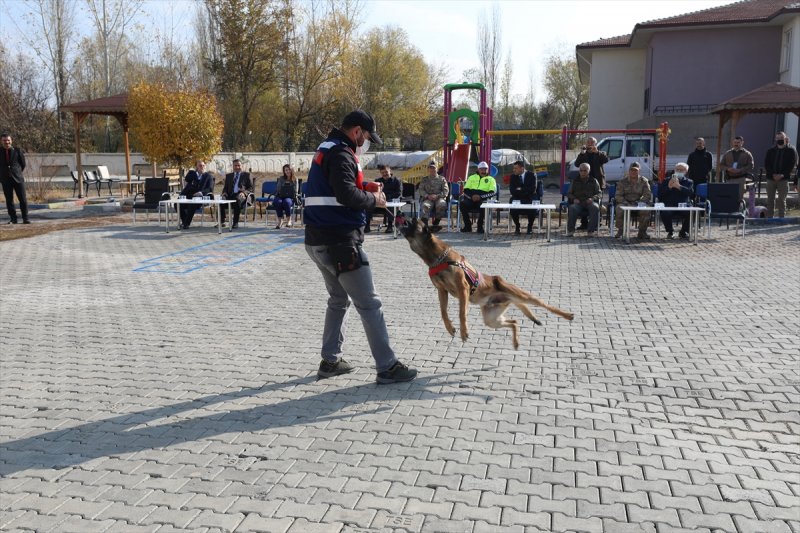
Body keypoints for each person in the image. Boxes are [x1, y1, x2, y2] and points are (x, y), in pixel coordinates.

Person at [304, 109, 417, 384]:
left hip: (317, 240)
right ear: (356, 132)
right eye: (366, 137)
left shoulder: (328, 147)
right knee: (369, 303)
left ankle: (330, 361)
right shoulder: (342, 153)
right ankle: (387, 367)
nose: (366, 143)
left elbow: (333, 186)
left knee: (338, 300)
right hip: (341, 243)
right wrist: (374, 199)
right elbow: (344, 194)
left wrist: (364, 184)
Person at [574, 136, 609, 229]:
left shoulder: (600, 153)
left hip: (598, 182)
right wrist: (581, 153)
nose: (590, 144)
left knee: (598, 202)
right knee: (584, 200)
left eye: (592, 142)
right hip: (585, 182)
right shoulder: (583, 154)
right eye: (588, 142)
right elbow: (577, 164)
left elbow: (605, 160)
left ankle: (598, 222)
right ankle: (584, 223)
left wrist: (597, 152)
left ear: (595, 144)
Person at [763, 131, 798, 218]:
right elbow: (767, 164)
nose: (780, 140)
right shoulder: (770, 151)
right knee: (770, 199)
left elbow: (791, 164)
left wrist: (782, 175)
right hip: (771, 179)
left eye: (781, 138)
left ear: (785, 139)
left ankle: (781, 218)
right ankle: (769, 218)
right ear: (775, 139)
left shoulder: (791, 150)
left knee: (782, 200)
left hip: (783, 179)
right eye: (778, 138)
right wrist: (773, 175)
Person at [614, 162, 652, 240]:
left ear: (639, 171)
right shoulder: (622, 182)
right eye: (632, 170)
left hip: (638, 203)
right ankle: (621, 230)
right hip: (625, 203)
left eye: (636, 170)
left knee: (646, 210)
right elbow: (618, 196)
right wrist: (626, 203)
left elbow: (647, 195)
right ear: (629, 171)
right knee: (619, 209)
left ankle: (642, 232)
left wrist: (639, 203)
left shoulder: (644, 181)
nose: (633, 172)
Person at [460, 161, 496, 233]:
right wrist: (471, 197)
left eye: (485, 169)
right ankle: (468, 226)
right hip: (471, 198)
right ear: (478, 169)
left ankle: (480, 226)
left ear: (487, 170)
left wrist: (481, 197)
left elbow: (492, 192)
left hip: (482, 199)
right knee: (462, 204)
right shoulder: (471, 177)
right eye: (481, 169)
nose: (483, 171)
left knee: (484, 206)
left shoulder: (491, 179)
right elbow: (466, 190)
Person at [1, 133, 29, 224]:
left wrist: (17, 172)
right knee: (9, 200)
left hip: (18, 179)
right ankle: (13, 219)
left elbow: (23, 164)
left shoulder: (17, 150)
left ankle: (25, 218)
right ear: (1, 141)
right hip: (5, 179)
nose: (7, 142)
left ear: (11, 140)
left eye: (8, 140)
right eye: (5, 140)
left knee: (23, 199)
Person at [660, 162, 694, 239]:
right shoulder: (666, 180)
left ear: (686, 172)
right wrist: (669, 187)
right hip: (669, 205)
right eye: (677, 169)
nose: (679, 171)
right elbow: (660, 194)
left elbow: (690, 193)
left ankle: (683, 231)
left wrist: (679, 187)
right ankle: (670, 232)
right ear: (674, 170)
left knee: (692, 212)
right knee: (665, 212)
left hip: (683, 205)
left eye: (681, 170)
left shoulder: (689, 182)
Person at [566, 163, 601, 237]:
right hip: (578, 202)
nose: (583, 172)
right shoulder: (575, 181)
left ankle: (591, 231)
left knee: (595, 207)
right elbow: (569, 193)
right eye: (581, 170)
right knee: (572, 208)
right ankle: (571, 230)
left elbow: (599, 193)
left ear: (589, 171)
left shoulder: (594, 181)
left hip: (589, 202)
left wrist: (592, 198)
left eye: (585, 170)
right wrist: (574, 199)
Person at [179, 160, 214, 229]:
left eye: (203, 165)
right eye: (200, 165)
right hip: (188, 195)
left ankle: (186, 224)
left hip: (200, 197)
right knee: (177, 205)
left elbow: (210, 188)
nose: (202, 167)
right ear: (196, 167)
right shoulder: (192, 173)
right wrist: (196, 174)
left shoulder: (208, 176)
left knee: (192, 204)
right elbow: (187, 179)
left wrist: (201, 193)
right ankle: (184, 221)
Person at [367, 165, 402, 233]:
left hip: (390, 201)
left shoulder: (397, 181)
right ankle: (367, 225)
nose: (384, 174)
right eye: (382, 172)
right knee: (368, 204)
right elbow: (374, 192)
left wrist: (386, 197)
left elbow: (398, 193)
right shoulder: (378, 181)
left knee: (389, 203)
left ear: (390, 171)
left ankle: (389, 226)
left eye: (386, 172)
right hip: (379, 202)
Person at [509, 160, 539, 235]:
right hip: (517, 198)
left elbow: (532, 189)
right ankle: (517, 226)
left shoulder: (532, 175)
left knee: (532, 209)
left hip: (529, 197)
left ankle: (530, 227)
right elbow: (512, 191)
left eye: (516, 168)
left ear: (522, 168)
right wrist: (524, 190)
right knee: (512, 207)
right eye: (514, 168)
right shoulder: (513, 177)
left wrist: (520, 189)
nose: (514, 170)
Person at [220, 158, 252, 229]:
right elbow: (225, 187)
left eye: (239, 165)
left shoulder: (246, 175)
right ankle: (222, 222)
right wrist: (224, 193)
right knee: (220, 202)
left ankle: (235, 223)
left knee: (238, 200)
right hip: (230, 195)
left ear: (242, 166)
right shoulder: (229, 176)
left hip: (241, 196)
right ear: (233, 166)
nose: (237, 167)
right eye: (235, 165)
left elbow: (250, 188)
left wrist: (244, 193)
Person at [418, 161, 448, 227]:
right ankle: (425, 225)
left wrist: (437, 196)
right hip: (428, 198)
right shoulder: (424, 179)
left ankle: (436, 221)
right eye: (430, 168)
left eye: (434, 168)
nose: (432, 170)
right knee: (425, 206)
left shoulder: (442, 179)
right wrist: (427, 195)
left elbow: (446, 191)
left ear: (437, 169)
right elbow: (421, 190)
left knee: (442, 204)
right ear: (428, 169)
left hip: (439, 198)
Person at [274, 163, 298, 229]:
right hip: (280, 196)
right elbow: (278, 189)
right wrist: (284, 186)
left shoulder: (295, 179)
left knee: (287, 202)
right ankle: (280, 220)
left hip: (290, 197)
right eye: (286, 170)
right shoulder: (281, 178)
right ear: (284, 171)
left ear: (291, 170)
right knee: (277, 202)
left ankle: (289, 220)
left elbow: (296, 190)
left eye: (289, 169)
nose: (288, 171)